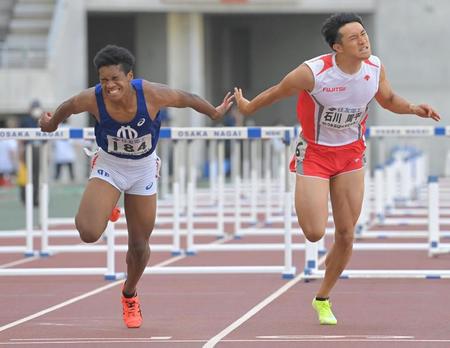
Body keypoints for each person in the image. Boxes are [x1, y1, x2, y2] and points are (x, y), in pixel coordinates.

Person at [233, 13, 440, 325]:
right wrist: (248, 107)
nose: (363, 40)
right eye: (354, 37)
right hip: (315, 153)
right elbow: (277, 91)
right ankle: (309, 202)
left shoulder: (375, 67)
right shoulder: (313, 73)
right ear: (336, 47)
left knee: (346, 234)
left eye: (363, 33)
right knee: (315, 232)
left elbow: (387, 98)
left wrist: (412, 108)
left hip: (351, 155)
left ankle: (323, 298)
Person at [39, 44, 233, 328]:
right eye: (104, 80)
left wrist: (214, 114)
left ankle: (129, 294)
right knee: (88, 232)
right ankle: (108, 205)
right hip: (110, 164)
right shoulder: (93, 98)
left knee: (139, 246)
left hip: (143, 169)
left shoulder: (151, 93)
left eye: (115, 79)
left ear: (130, 76)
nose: (110, 86)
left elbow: (187, 98)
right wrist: (52, 123)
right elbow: (69, 106)